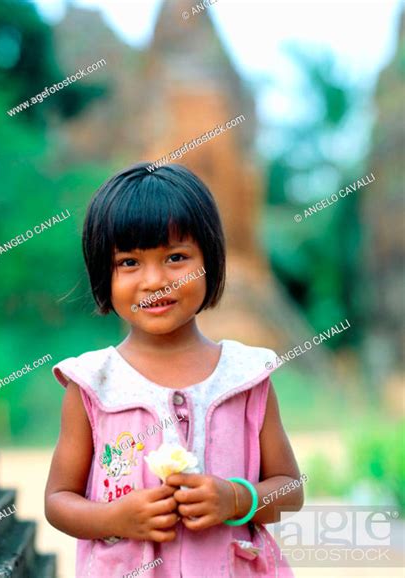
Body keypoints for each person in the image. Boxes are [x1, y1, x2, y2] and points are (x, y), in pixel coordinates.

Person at [45, 162, 303, 577]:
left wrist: (237, 500)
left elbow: (290, 489)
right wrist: (115, 519)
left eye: (176, 257)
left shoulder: (246, 377)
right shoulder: (92, 384)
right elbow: (58, 500)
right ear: (102, 273)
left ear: (211, 261)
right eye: (128, 262)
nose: (155, 281)